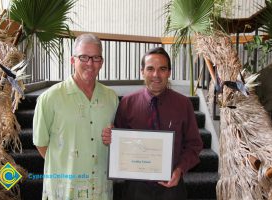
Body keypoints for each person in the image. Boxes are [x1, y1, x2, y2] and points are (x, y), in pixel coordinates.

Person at [102, 47, 203, 200]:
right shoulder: (127, 103)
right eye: (150, 69)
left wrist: (180, 170)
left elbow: (194, 145)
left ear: (169, 72)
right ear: (142, 71)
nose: (156, 75)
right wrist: (111, 135)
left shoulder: (183, 104)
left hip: (172, 189)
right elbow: (118, 142)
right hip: (134, 190)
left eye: (162, 69)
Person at [33, 33, 119, 200]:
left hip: (100, 192)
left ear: (101, 62)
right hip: (65, 193)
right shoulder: (50, 98)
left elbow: (116, 139)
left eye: (95, 58)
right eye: (83, 57)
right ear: (72, 60)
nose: (90, 63)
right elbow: (42, 145)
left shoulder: (111, 98)